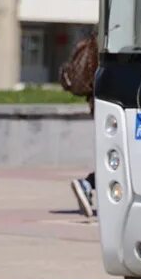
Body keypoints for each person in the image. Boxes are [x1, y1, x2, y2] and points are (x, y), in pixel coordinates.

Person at [59, 29, 99, 217]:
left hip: (99, 104)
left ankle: (88, 184)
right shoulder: (117, 35)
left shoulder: (95, 37)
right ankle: (89, 184)